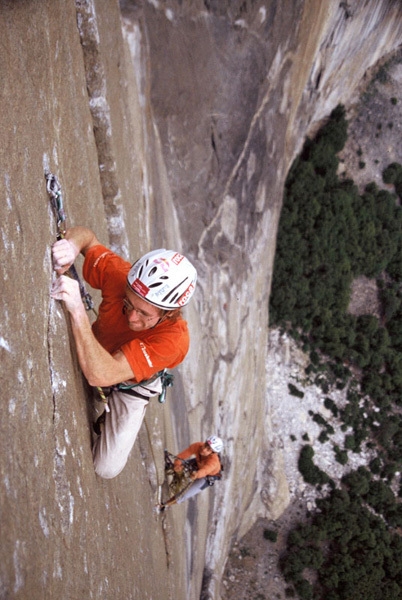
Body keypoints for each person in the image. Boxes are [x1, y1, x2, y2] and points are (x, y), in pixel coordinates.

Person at [50, 226, 197, 479]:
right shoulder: (121, 276)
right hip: (103, 349)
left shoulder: (174, 340)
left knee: (106, 468)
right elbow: (88, 238)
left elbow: (100, 374)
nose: (131, 316)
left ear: (169, 313)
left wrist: (77, 310)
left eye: (144, 314)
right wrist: (72, 246)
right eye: (128, 303)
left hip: (132, 383)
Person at [157, 435, 224, 511]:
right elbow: (181, 456)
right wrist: (177, 465)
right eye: (205, 445)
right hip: (198, 464)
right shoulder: (198, 446)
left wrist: (196, 475)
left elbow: (205, 471)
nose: (204, 449)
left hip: (207, 477)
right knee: (179, 466)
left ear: (212, 453)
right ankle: (170, 468)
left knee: (185, 494)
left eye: (208, 449)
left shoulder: (213, 462)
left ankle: (164, 505)